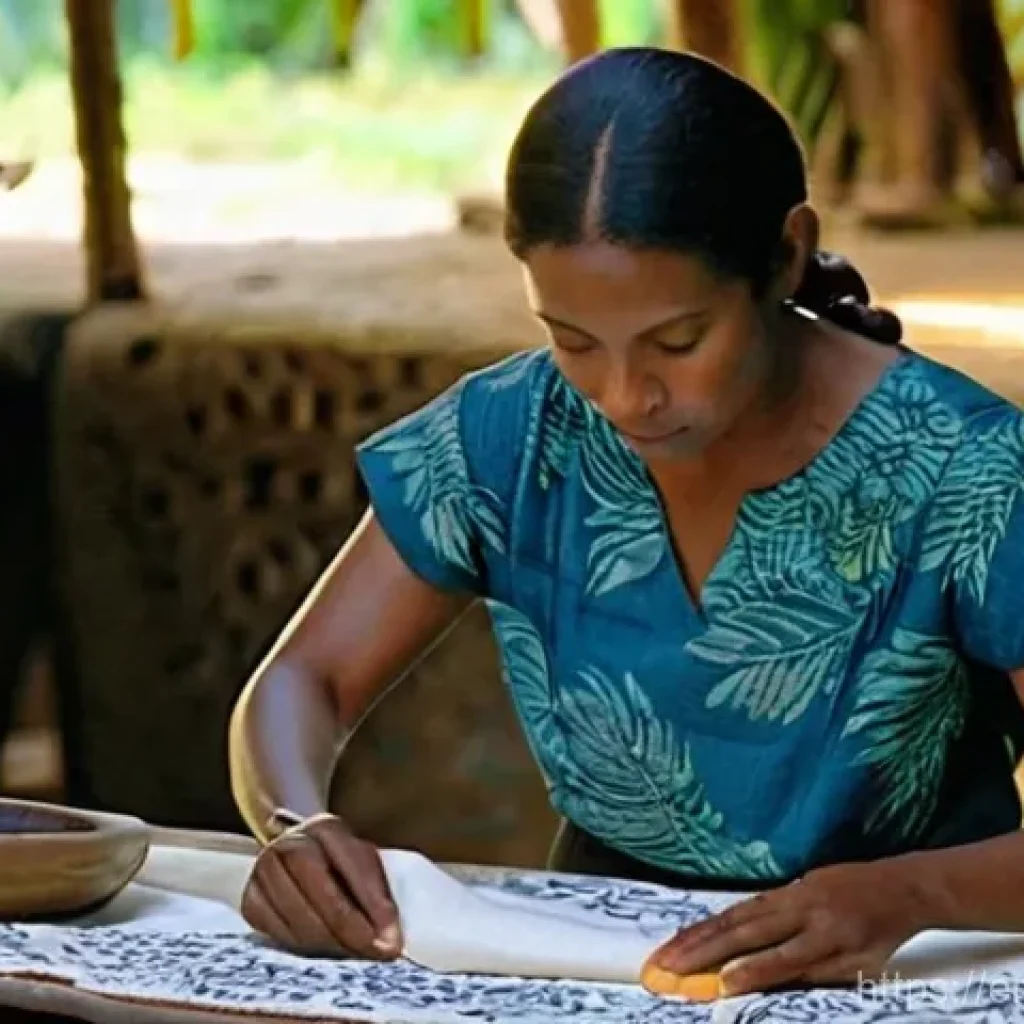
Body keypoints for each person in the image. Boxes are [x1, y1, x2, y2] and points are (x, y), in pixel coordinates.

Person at [228, 47, 1024, 997]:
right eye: (571, 340)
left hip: (920, 967)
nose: (625, 394)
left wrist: (911, 893)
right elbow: (302, 678)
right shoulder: (511, 438)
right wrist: (295, 825)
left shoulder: (965, 471)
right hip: (607, 975)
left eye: (678, 341)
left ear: (785, 254)